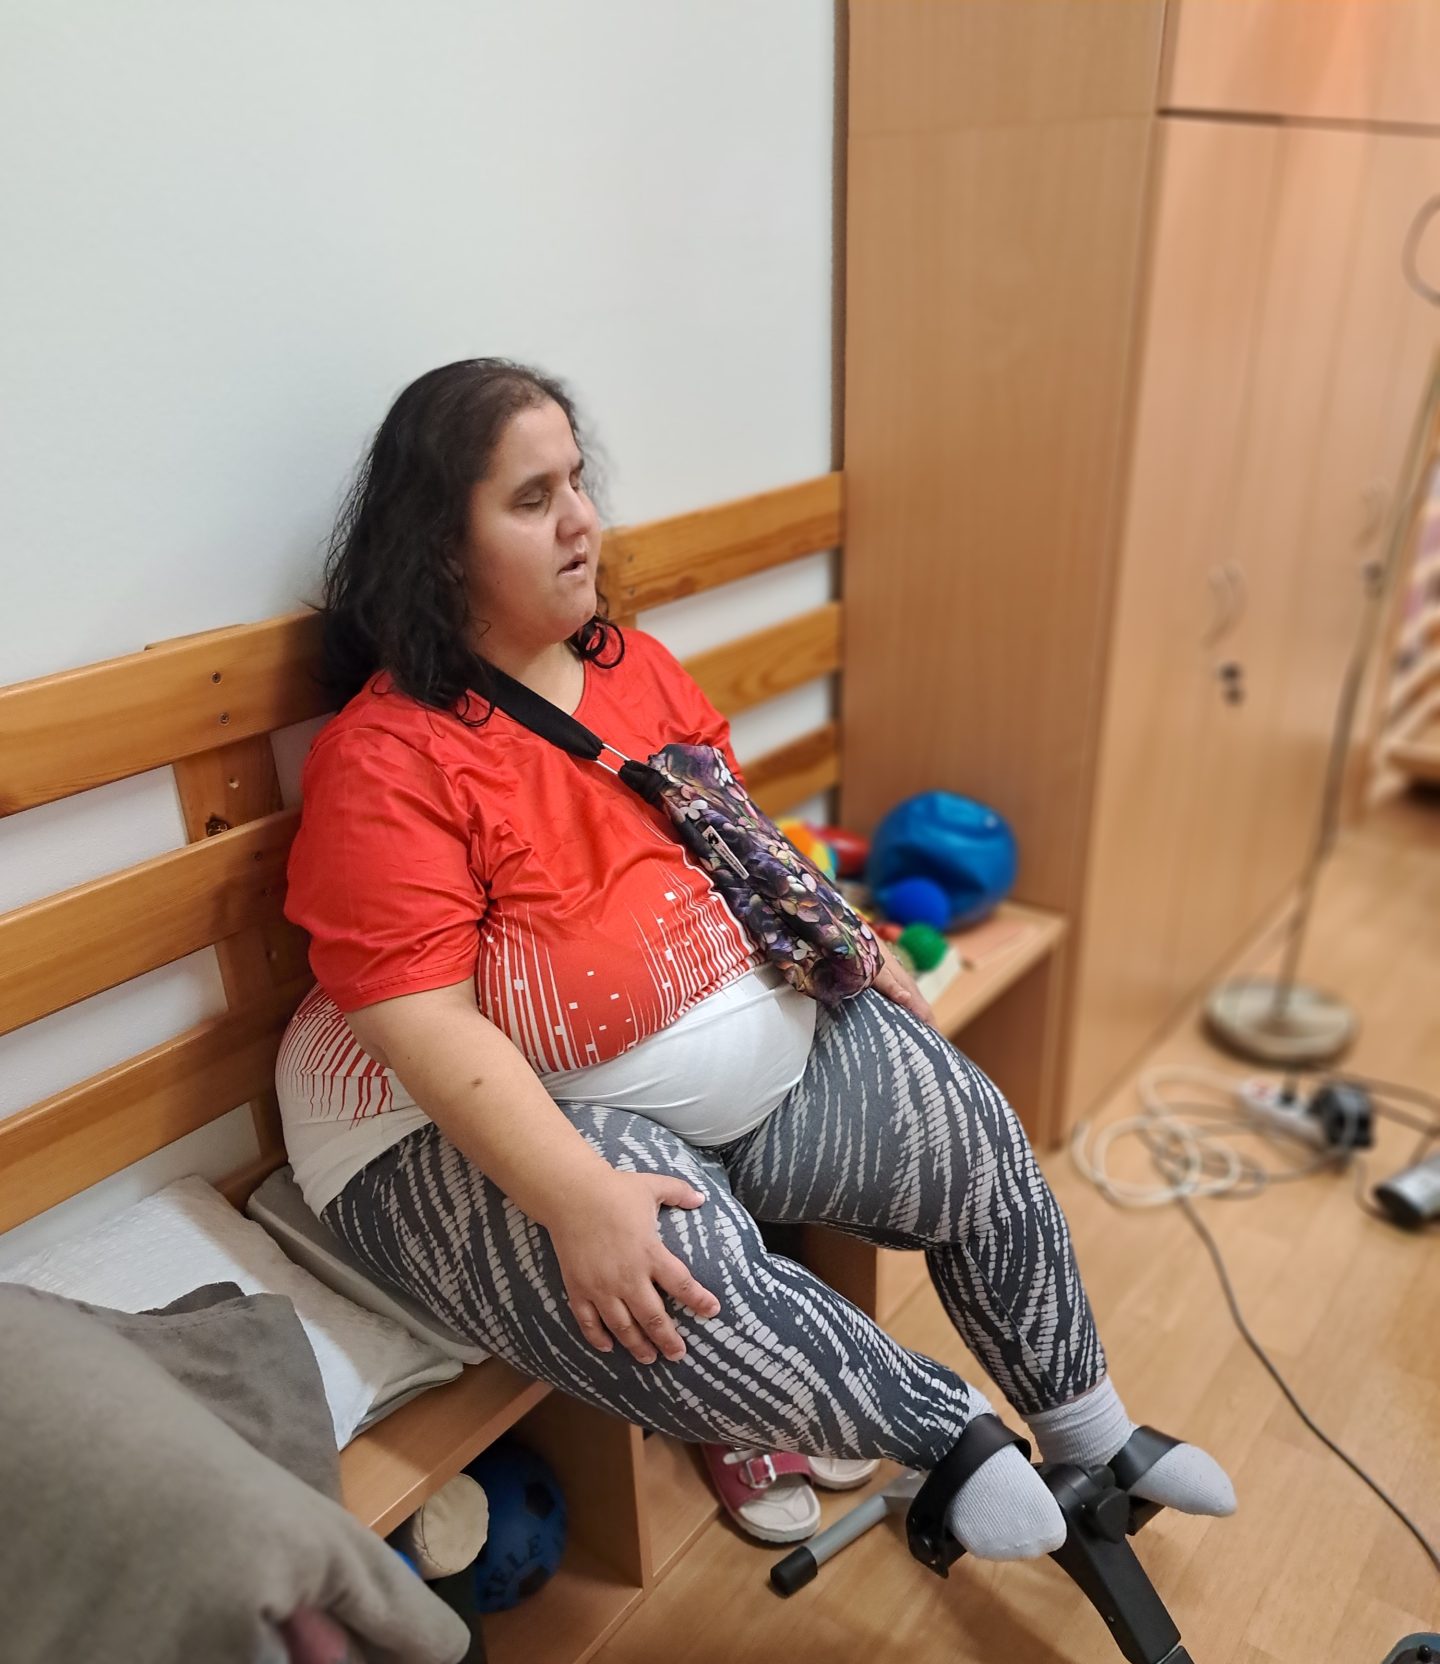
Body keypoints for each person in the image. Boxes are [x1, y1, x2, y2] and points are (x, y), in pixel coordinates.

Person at [276, 357, 1235, 1557]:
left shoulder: (629, 669)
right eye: (531, 500)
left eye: (576, 481)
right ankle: (952, 1443)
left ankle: (1095, 1434)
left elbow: (736, 832)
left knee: (966, 1125)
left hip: (704, 1054)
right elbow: (421, 1018)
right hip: (449, 1118)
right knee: (670, 1276)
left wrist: (845, 936)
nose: (581, 521)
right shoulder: (387, 760)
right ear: (439, 546)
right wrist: (572, 1197)